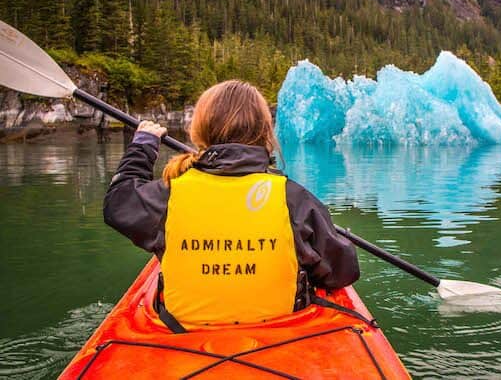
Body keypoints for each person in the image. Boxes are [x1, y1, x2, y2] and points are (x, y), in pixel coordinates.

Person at [103, 80, 359, 331]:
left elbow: (118, 203)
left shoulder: (167, 197)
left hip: (182, 335)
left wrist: (143, 145)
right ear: (264, 132)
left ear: (200, 130)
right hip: (278, 337)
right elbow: (342, 271)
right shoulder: (294, 199)